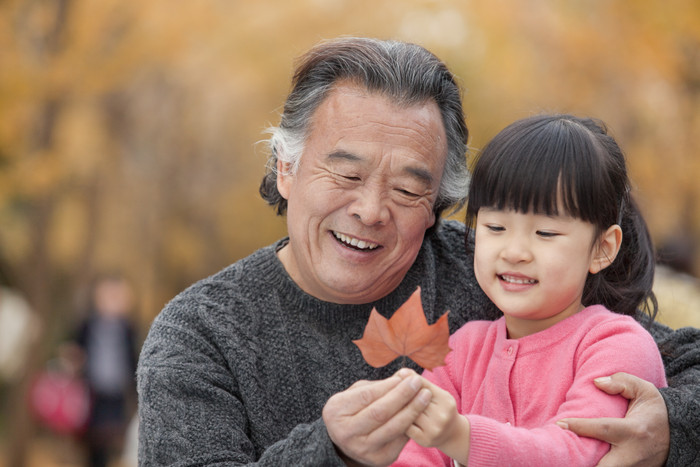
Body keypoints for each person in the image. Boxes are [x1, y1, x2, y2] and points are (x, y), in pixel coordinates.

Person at [137, 37, 700, 466]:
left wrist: (671, 424)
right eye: (346, 172)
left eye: (408, 190)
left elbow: (672, 361)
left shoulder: (494, 272)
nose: (372, 209)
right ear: (286, 168)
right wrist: (327, 451)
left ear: (437, 205)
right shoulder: (199, 334)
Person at [392, 114, 667, 466]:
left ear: (602, 248)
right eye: (495, 226)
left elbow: (577, 452)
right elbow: (415, 455)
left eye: (545, 233)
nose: (514, 252)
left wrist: (462, 437)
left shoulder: (615, 345)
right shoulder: (462, 349)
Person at [74, 274, 139, 467]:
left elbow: (133, 359)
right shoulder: (87, 325)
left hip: (118, 390)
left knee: (113, 436)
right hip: (91, 390)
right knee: (93, 440)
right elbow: (76, 350)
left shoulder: (129, 328)